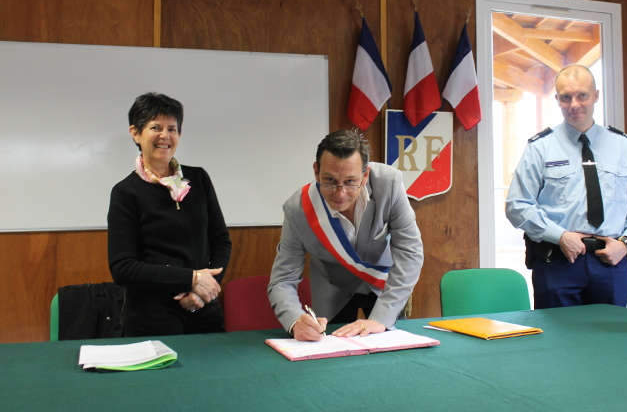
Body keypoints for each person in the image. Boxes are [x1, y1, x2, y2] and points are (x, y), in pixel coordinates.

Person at [505, 64, 627, 309]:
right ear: (557, 100)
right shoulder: (540, 147)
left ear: (596, 95)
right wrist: (560, 236)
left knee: (610, 340)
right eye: (566, 97)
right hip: (558, 261)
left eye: (582, 95)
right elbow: (517, 205)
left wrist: (626, 243)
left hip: (610, 260)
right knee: (558, 341)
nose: (574, 104)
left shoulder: (622, 146)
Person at [268, 129, 424, 341]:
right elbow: (282, 279)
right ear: (316, 172)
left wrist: (382, 318)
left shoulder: (389, 184)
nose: (339, 194)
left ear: (365, 174)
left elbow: (410, 253)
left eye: (350, 181)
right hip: (332, 295)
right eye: (329, 180)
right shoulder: (298, 210)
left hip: (385, 290)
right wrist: (295, 319)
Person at [108, 92, 232, 337]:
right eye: (156, 127)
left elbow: (221, 241)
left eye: (172, 129)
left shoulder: (198, 179)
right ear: (135, 132)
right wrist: (191, 279)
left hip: (203, 307)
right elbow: (123, 267)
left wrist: (202, 289)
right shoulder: (125, 192)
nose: (165, 136)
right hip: (151, 315)